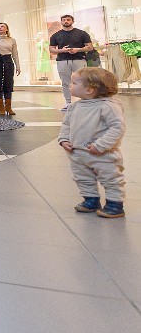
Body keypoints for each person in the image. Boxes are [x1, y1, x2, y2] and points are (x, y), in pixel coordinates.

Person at [60, 67, 125, 218]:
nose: (70, 85)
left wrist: (100, 145)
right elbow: (66, 125)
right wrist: (63, 139)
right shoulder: (74, 107)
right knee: (83, 178)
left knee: (111, 178)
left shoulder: (108, 106)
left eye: (73, 83)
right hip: (78, 153)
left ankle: (115, 204)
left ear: (89, 89)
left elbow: (117, 128)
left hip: (103, 154)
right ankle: (91, 200)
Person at [49, 14, 93, 110]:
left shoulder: (82, 33)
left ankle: (85, 101)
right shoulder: (56, 35)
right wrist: (62, 50)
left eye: (68, 20)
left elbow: (90, 47)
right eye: (64, 20)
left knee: (83, 81)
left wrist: (78, 49)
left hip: (79, 59)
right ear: (61, 22)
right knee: (65, 82)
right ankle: (68, 103)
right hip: (63, 61)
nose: (66, 21)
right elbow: (51, 49)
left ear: (72, 21)